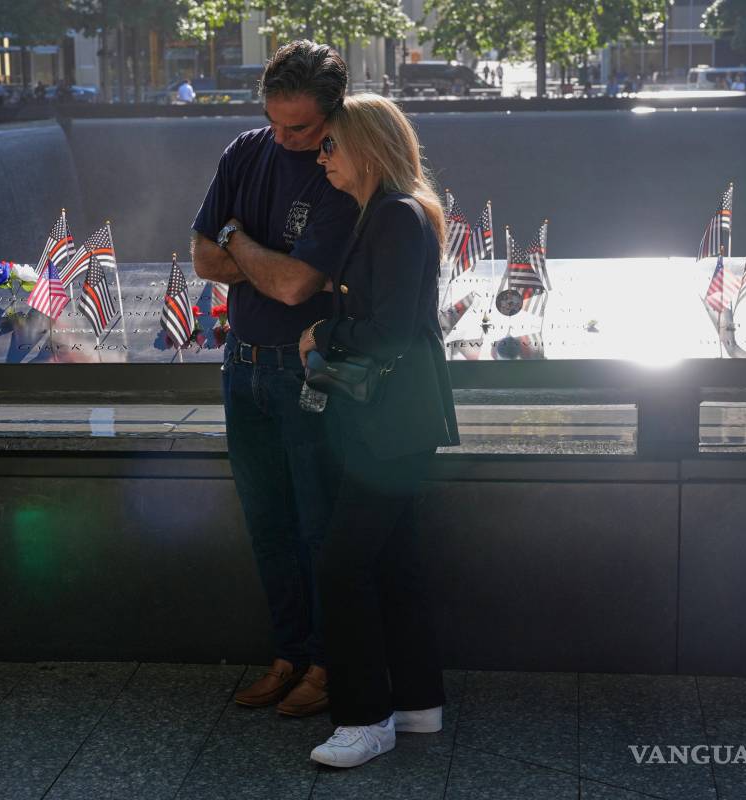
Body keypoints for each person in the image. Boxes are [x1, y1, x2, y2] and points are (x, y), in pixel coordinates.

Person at [191, 40, 359, 718]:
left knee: (320, 525)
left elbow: (295, 287)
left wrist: (237, 239)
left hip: (309, 370)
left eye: (302, 128)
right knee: (267, 524)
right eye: (276, 122)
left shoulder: (344, 167)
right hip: (244, 368)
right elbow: (201, 259)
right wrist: (258, 257)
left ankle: (328, 662)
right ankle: (289, 653)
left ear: (334, 115)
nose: (286, 139)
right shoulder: (243, 151)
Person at [298, 92, 459, 768]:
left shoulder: (394, 215)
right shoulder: (396, 212)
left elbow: (391, 329)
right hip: (402, 420)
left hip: (388, 425)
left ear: (366, 147)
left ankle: (365, 720)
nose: (321, 156)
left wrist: (322, 333)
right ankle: (418, 704)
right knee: (395, 562)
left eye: (330, 144)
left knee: (341, 568)